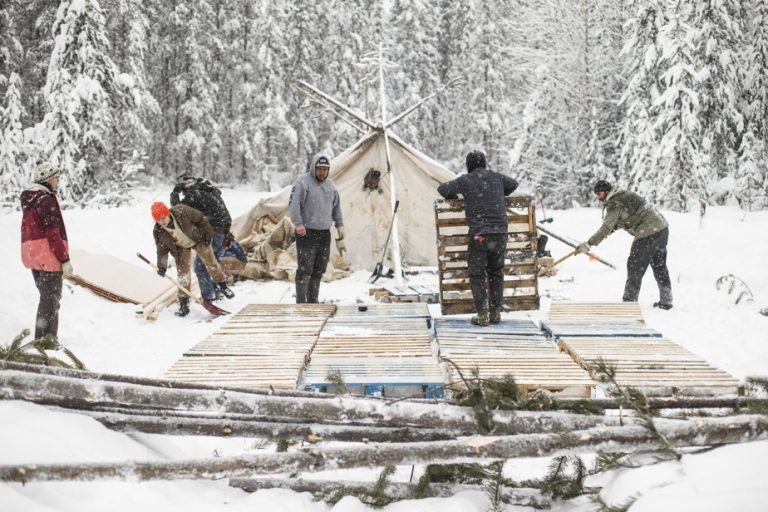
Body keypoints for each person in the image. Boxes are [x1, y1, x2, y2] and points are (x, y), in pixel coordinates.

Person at [437, 150, 519, 326]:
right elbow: (514, 184)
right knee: (496, 272)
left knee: (477, 274)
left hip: (480, 235)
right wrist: (496, 194)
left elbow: (443, 189)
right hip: (500, 234)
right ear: (485, 163)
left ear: (469, 166)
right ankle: (495, 312)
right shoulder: (496, 177)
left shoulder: (466, 180)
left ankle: (483, 314)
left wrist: (456, 196)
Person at [576, 180, 673, 309]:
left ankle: (629, 302)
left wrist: (589, 243)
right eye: (596, 194)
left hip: (648, 231)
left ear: (606, 192)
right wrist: (603, 234)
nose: (598, 198)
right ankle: (666, 300)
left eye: (599, 194)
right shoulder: (621, 197)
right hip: (661, 228)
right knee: (659, 265)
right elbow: (615, 224)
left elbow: (607, 227)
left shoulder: (615, 202)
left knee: (635, 265)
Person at [151, 201, 234, 317]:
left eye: (163, 218)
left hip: (198, 238)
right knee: (183, 275)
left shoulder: (181, 211)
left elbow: (201, 218)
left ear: (167, 213)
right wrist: (162, 266)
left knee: (211, 263)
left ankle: (223, 285)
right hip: (180, 248)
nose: (162, 222)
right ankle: (184, 304)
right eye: (158, 220)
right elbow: (162, 251)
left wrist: (208, 234)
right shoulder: (158, 230)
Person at [20, 162, 74, 341]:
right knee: (50, 301)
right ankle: (45, 341)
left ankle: (44, 338)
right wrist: (64, 259)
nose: (57, 181)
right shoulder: (46, 199)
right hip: (47, 255)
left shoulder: (31, 199)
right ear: (49, 179)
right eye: (56, 177)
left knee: (46, 298)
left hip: (33, 253)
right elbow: (53, 232)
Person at [288, 153, 344, 303]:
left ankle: (313, 301)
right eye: (319, 169)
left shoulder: (331, 186)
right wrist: (298, 224)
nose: (322, 173)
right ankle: (301, 303)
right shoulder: (303, 182)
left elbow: (336, 208)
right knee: (305, 269)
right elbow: (294, 205)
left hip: (324, 233)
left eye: (325, 169)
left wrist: (340, 225)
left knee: (319, 269)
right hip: (306, 232)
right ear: (314, 168)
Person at [170, 175, 234, 301]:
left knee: (200, 266)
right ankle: (216, 292)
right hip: (224, 231)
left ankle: (208, 296)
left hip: (213, 232)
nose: (183, 194)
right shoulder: (211, 190)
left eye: (183, 191)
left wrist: (175, 192)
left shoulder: (194, 194)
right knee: (212, 262)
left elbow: (177, 209)